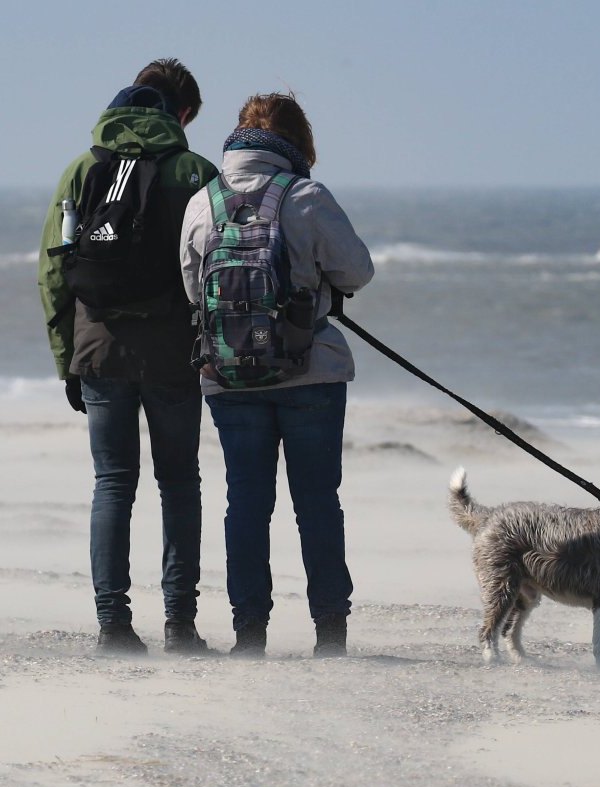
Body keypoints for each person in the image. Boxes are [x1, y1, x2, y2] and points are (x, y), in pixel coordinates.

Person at [179, 93, 375, 658]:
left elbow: (195, 291)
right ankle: (330, 633)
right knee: (316, 501)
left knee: (245, 501)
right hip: (310, 370)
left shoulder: (201, 203)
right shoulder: (307, 196)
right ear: (297, 144)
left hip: (229, 377)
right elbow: (357, 271)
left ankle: (249, 633)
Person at [37, 59, 218, 655]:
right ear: (181, 112)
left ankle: (113, 626)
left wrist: (67, 358)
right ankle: (180, 625)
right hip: (173, 351)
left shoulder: (83, 167)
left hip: (99, 348)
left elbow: (55, 273)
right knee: (179, 484)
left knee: (112, 483)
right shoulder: (196, 171)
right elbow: (218, 269)